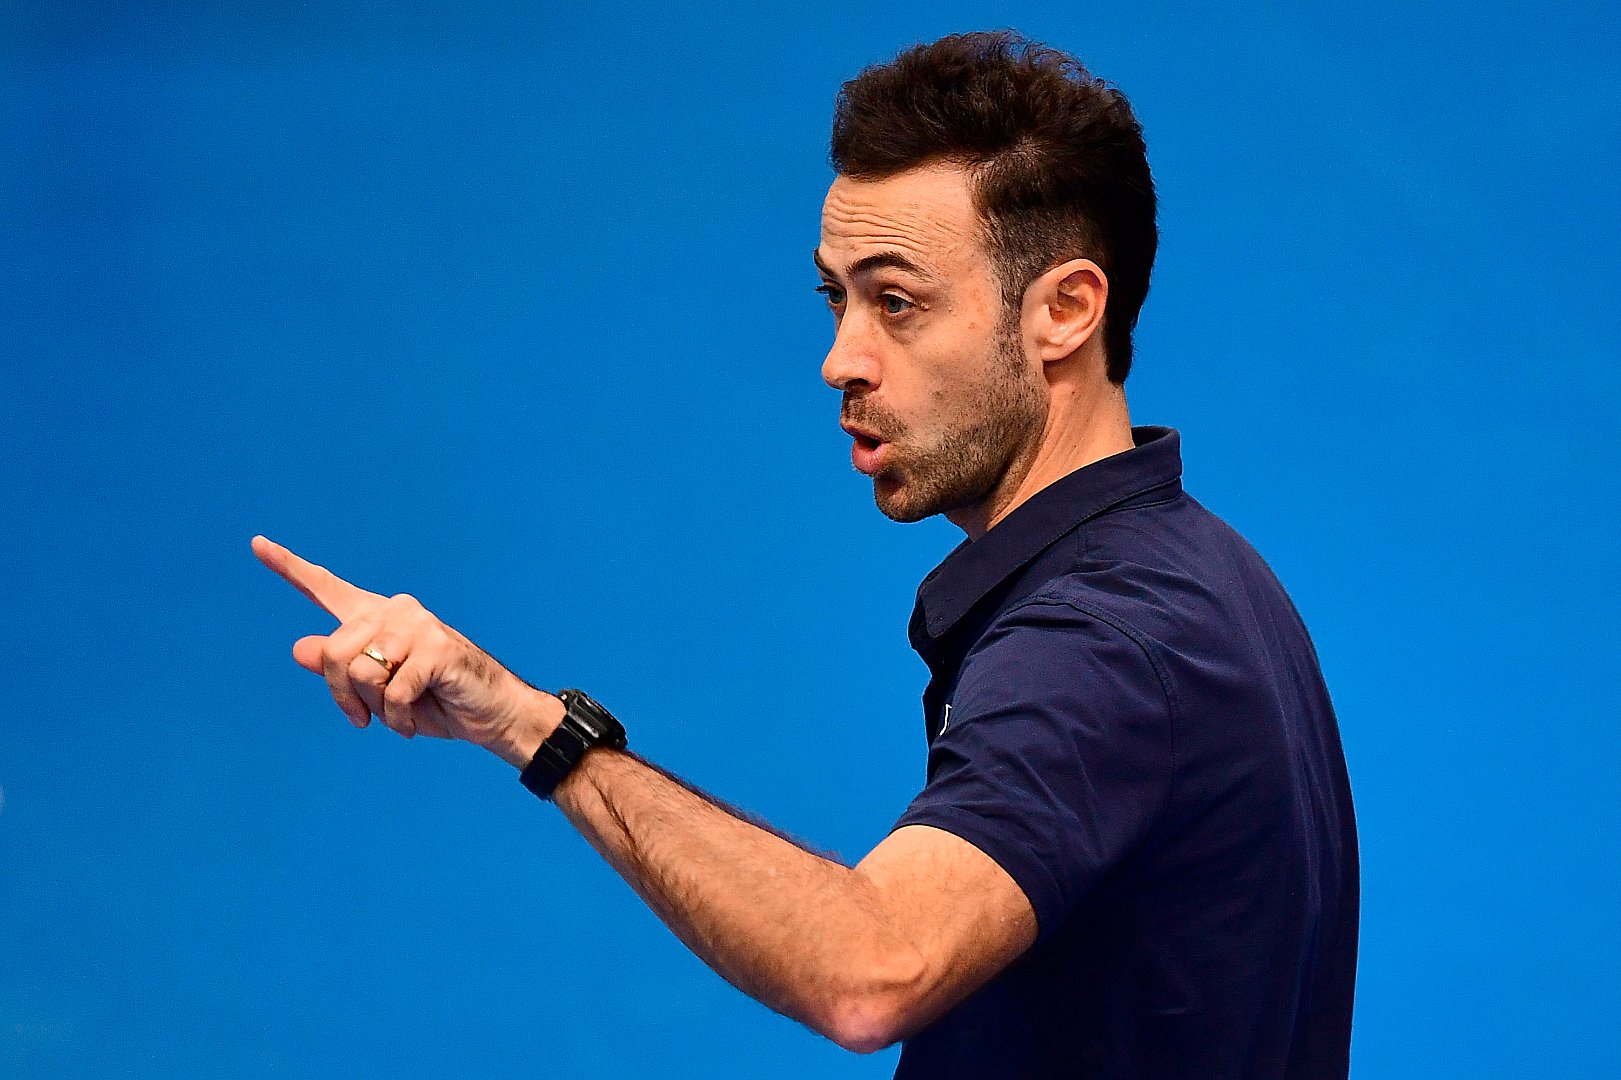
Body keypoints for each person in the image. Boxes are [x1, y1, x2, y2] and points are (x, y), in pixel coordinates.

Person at [253, 30, 1357, 1079]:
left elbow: (872, 972)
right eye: (837, 299)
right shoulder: (1202, 578)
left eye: (896, 302)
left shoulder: (1106, 637)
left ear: (1064, 310)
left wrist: (534, 728)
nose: (841, 359)